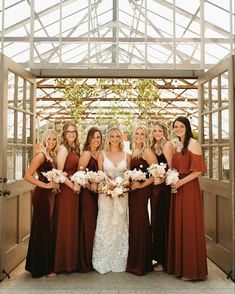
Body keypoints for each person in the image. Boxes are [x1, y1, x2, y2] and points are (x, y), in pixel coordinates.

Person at [167, 116, 208, 281]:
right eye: (175, 127)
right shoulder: (177, 144)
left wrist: (180, 182)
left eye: (181, 126)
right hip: (177, 188)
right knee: (179, 225)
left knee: (189, 225)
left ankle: (192, 270)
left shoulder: (193, 143)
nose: (178, 129)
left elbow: (199, 170)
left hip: (188, 188)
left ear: (187, 127)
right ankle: (180, 267)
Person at [92, 127, 131, 274]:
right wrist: (108, 186)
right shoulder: (102, 154)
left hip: (122, 195)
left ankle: (120, 258)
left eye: (117, 136)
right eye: (112, 136)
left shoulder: (127, 155)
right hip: (105, 195)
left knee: (120, 224)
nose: (115, 139)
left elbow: (129, 176)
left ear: (121, 138)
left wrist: (122, 186)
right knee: (105, 222)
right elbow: (100, 175)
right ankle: (103, 259)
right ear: (108, 138)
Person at [25, 129, 59, 278]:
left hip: (49, 196)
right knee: (42, 229)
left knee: (45, 229)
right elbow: (27, 175)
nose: (51, 142)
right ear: (45, 140)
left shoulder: (52, 156)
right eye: (49, 139)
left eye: (54, 139)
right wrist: (45, 186)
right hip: (41, 195)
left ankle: (39, 265)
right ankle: (40, 268)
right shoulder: (40, 156)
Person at [126, 125, 157, 276]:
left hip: (142, 191)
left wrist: (142, 184)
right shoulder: (133, 152)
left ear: (146, 136)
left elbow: (157, 174)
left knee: (140, 222)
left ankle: (141, 264)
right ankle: (134, 261)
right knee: (135, 224)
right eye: (136, 133)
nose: (139, 136)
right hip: (132, 192)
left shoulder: (147, 151)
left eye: (142, 134)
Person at [54, 121, 80, 273]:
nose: (71, 134)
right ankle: (62, 263)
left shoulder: (75, 149)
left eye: (74, 132)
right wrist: (73, 186)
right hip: (66, 192)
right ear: (64, 133)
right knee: (65, 224)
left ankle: (71, 262)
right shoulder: (63, 149)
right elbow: (59, 173)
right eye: (69, 131)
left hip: (74, 191)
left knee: (71, 224)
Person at [78, 127, 103, 272]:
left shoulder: (100, 153)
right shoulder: (86, 154)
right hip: (87, 195)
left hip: (97, 194)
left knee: (95, 227)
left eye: (98, 137)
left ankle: (94, 258)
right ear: (89, 138)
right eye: (93, 137)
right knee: (88, 225)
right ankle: (85, 262)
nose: (96, 140)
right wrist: (89, 186)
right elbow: (79, 174)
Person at [150, 121, 174, 272]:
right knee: (156, 222)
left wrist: (162, 178)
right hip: (155, 188)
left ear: (164, 132)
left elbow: (172, 169)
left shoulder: (166, 146)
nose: (157, 133)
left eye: (159, 130)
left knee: (161, 222)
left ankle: (163, 261)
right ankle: (158, 257)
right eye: (155, 131)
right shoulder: (154, 147)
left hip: (163, 189)